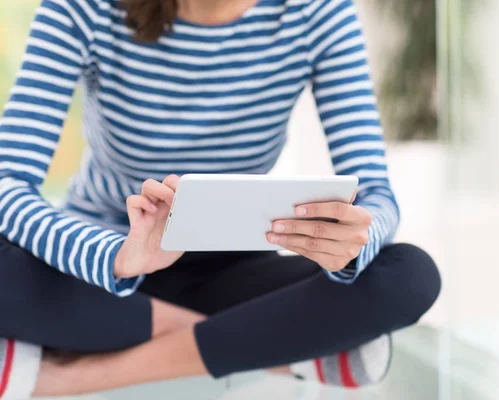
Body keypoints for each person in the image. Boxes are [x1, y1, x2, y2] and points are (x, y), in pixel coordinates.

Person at [0, 0, 442, 397]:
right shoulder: (83, 8)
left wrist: (350, 244)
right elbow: (8, 184)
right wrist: (117, 256)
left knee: (408, 275)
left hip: (233, 272)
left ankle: (75, 377)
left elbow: (378, 196)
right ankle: (281, 350)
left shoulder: (316, 12)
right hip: (107, 269)